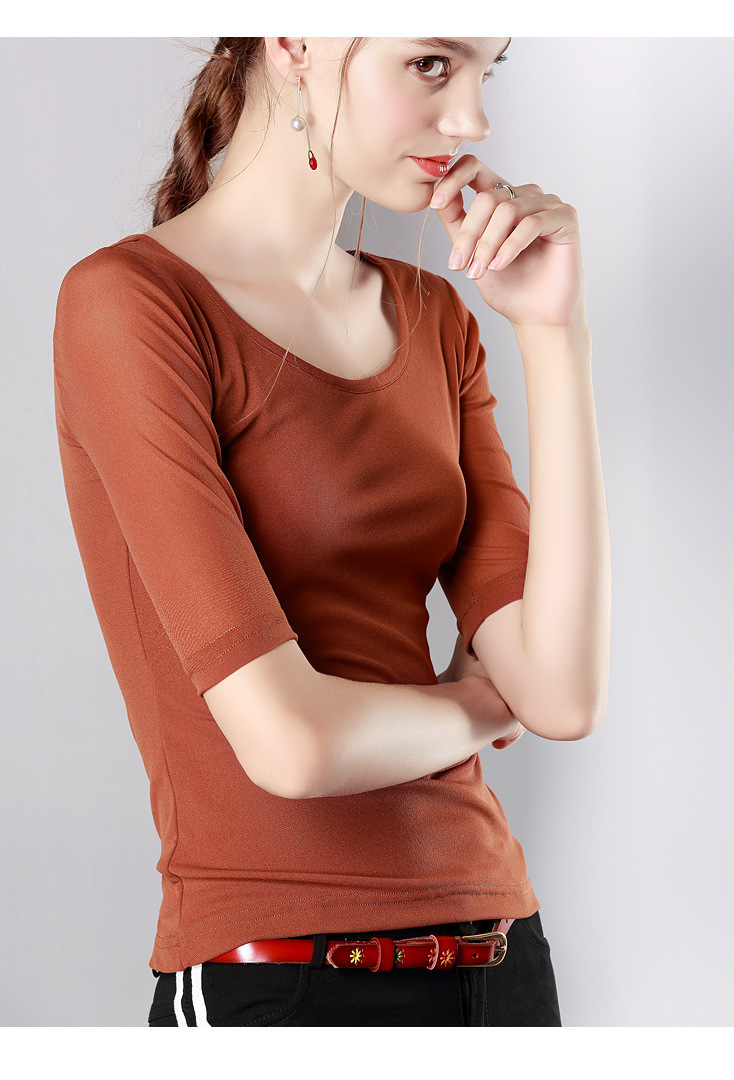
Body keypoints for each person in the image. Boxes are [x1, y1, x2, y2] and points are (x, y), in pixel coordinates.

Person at [53, 36, 609, 1026]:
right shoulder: (132, 306)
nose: (472, 119)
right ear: (295, 41)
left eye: (486, 70)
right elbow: (292, 747)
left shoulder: (435, 316)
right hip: (281, 974)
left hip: (502, 956)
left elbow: (559, 693)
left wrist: (551, 334)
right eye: (431, 64)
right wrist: (479, 706)